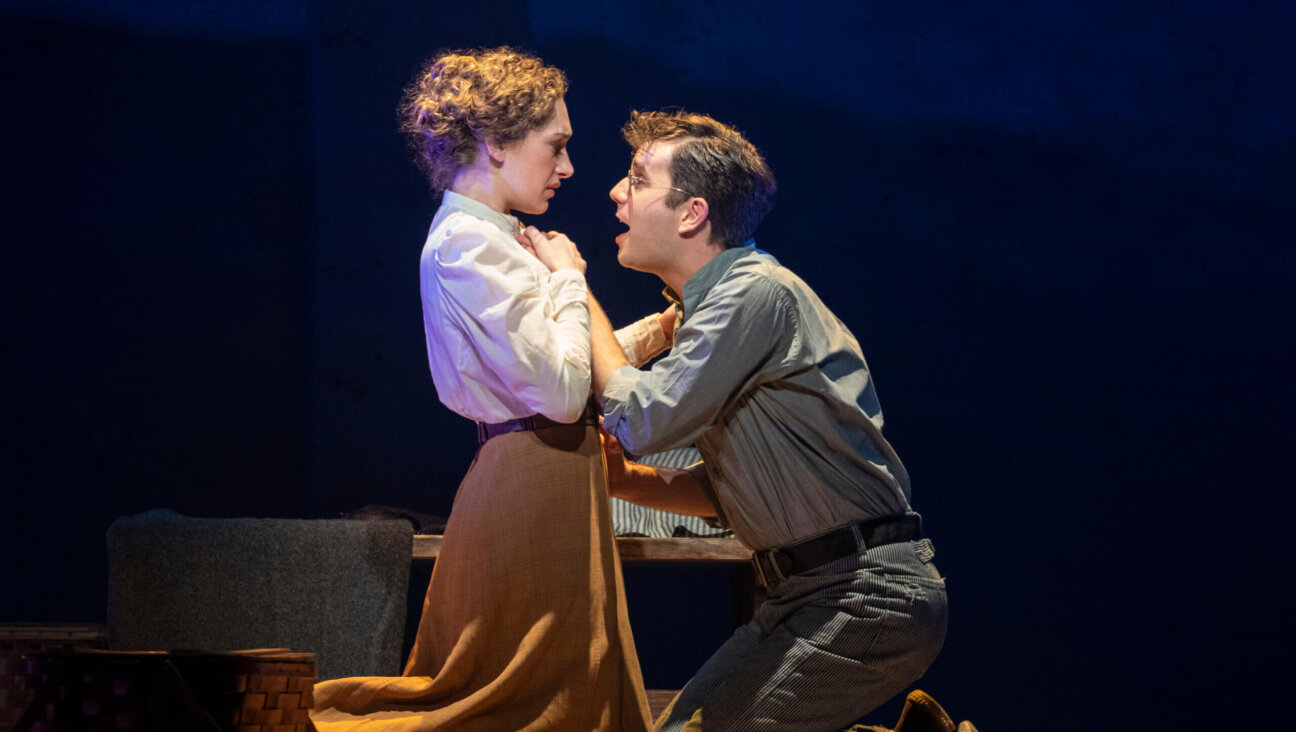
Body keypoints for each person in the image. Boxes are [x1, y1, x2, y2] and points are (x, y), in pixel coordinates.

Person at [311, 48, 663, 732]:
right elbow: (562, 393)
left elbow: (564, 359)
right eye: (555, 145)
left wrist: (660, 329)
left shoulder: (497, 239)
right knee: (518, 701)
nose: (568, 167)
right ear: (497, 143)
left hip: (554, 472)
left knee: (570, 689)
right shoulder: (469, 247)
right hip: (532, 475)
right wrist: (568, 276)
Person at [575, 110, 949, 731]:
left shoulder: (754, 294)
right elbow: (735, 492)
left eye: (637, 179)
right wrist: (630, 482)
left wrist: (573, 291)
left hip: (866, 595)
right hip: (807, 595)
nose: (616, 192)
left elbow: (641, 415)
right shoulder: (715, 310)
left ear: (692, 213)